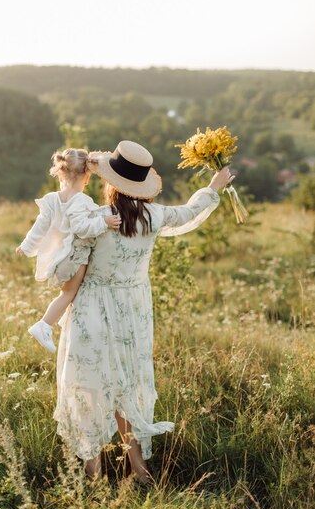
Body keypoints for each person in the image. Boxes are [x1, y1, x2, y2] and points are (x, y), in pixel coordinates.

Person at [53, 140, 235, 483]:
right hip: (133, 312)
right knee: (126, 385)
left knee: (88, 384)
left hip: (93, 307)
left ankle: (93, 474)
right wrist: (213, 188)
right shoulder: (155, 216)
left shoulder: (97, 218)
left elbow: (67, 269)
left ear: (111, 183)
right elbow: (189, 212)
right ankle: (139, 469)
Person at [16, 148, 121, 353]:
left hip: (62, 256)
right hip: (76, 256)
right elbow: (81, 228)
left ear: (62, 173)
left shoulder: (52, 199)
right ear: (86, 177)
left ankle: (65, 319)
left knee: (72, 292)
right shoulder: (81, 201)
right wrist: (104, 221)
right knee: (69, 292)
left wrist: (27, 245)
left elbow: (40, 227)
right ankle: (44, 325)